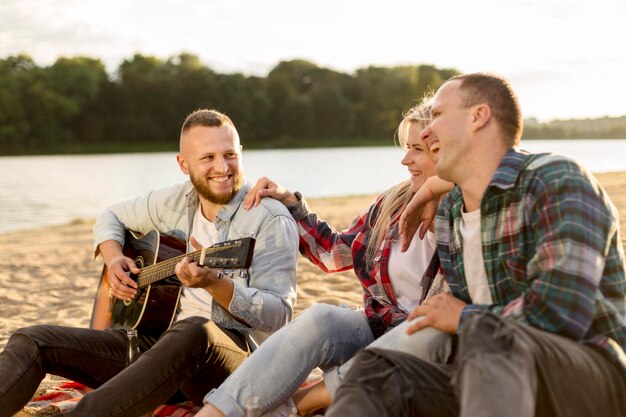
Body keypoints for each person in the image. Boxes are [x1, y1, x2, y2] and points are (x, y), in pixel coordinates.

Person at [325, 72, 626, 417]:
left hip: (589, 380)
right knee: (376, 372)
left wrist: (466, 318)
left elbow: (562, 312)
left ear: (478, 116)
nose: (424, 132)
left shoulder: (555, 180)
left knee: (489, 338)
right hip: (490, 376)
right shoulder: (452, 211)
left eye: (437, 115)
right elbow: (442, 318)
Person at [0, 109, 299, 417]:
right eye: (207, 157)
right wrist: (115, 258)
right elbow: (110, 216)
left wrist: (215, 284)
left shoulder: (270, 218)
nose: (222, 167)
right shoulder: (173, 200)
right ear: (183, 164)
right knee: (32, 340)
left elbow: (279, 315)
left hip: (234, 364)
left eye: (230, 155)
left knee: (195, 330)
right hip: (156, 351)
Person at [194, 99, 455, 417]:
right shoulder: (394, 201)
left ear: (444, 150)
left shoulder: (469, 214)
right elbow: (333, 253)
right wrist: (290, 202)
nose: (405, 159)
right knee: (321, 317)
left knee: (421, 333)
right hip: (377, 331)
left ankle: (298, 406)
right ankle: (217, 413)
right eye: (406, 147)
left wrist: (447, 188)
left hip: (426, 355)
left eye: (417, 149)